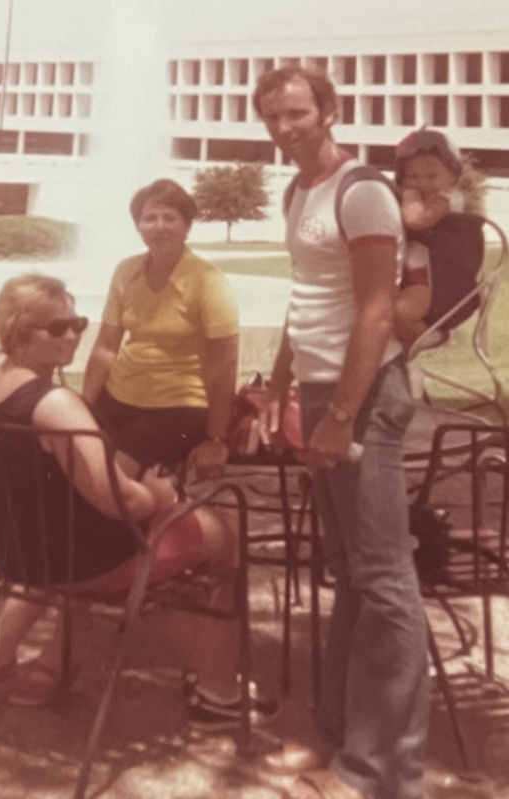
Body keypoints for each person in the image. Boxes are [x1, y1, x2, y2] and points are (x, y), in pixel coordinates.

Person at [0, 274, 276, 730]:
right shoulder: (58, 404)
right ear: (18, 332)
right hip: (85, 564)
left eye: (77, 322)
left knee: (144, 528)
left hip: (16, 554)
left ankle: (6, 658)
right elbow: (120, 504)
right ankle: (217, 693)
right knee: (222, 534)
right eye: (57, 328)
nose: (74, 334)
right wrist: (156, 494)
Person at [253, 67, 429, 799]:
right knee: (351, 572)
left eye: (297, 111)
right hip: (324, 387)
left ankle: (382, 772)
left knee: (385, 580)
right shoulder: (299, 192)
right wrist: (277, 380)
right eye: (273, 115)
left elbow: (377, 312)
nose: (285, 125)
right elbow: (308, 302)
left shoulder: (361, 191)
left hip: (365, 397)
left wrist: (339, 415)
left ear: (329, 111)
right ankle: (339, 735)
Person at [82, 178, 239, 480]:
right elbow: (105, 347)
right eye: (149, 218)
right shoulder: (126, 271)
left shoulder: (208, 280)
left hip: (178, 408)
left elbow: (225, 363)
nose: (159, 226)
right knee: (69, 460)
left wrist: (216, 440)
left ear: (187, 226)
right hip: (117, 398)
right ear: (138, 225)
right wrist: (84, 405)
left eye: (170, 217)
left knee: (111, 479)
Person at [394, 127, 484, 347]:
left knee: (396, 312)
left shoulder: (445, 201)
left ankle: (433, 338)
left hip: (434, 282)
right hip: (417, 276)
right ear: (402, 179)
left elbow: (416, 221)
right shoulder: (411, 197)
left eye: (432, 175)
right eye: (413, 176)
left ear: (453, 176)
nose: (423, 182)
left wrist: (420, 203)